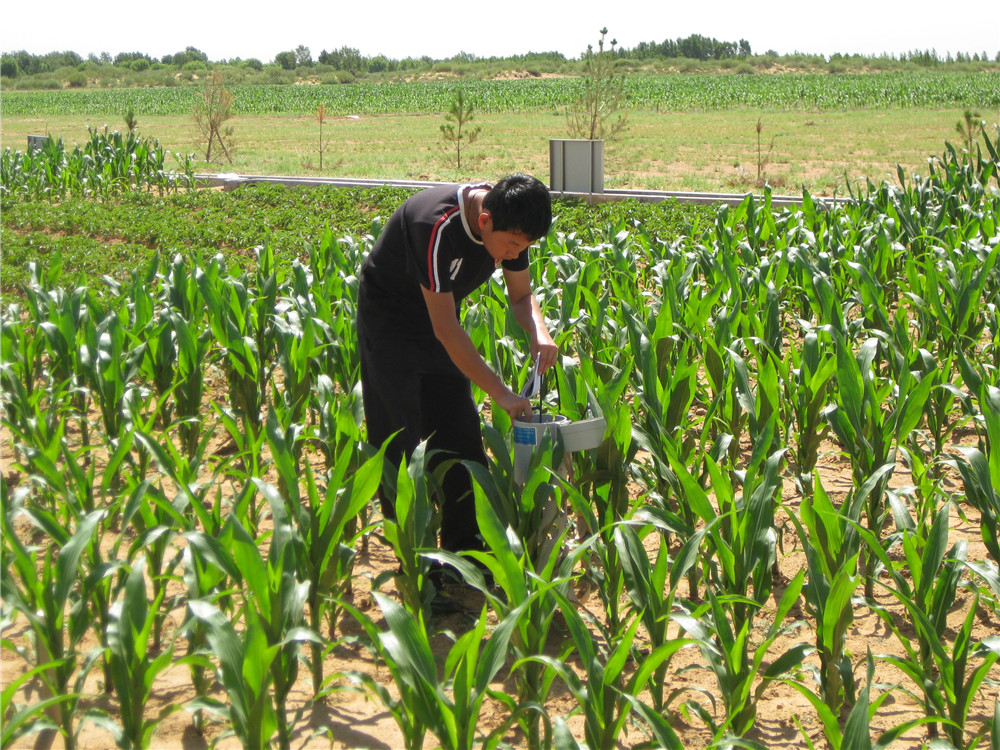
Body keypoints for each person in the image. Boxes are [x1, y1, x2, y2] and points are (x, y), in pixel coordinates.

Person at [357, 173, 557, 553]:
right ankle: (412, 559)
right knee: (398, 441)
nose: (515, 254)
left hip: (440, 315)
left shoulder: (512, 223)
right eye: (512, 245)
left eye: (525, 246)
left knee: (461, 436)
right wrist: (500, 393)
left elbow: (521, 296)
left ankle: (465, 552)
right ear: (484, 221)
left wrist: (539, 332)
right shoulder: (434, 226)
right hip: (390, 323)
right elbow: (446, 330)